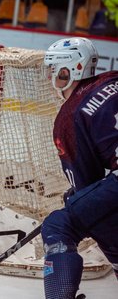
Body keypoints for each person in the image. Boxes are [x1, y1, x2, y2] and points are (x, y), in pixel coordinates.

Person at [42, 37, 118, 299]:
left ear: (69, 70)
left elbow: (87, 183)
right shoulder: (114, 78)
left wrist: (78, 196)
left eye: (54, 70)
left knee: (60, 224)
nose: (51, 76)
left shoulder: (69, 116)